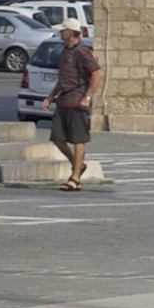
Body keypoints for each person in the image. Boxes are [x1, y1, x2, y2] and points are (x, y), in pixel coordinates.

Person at [52, 21, 100, 191]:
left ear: (70, 33)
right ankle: (77, 164)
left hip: (77, 100)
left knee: (78, 139)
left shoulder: (83, 52)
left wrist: (87, 97)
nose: (60, 33)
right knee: (57, 138)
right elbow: (63, 78)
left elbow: (96, 74)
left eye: (62, 31)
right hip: (63, 99)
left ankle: (75, 177)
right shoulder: (66, 51)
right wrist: (50, 96)